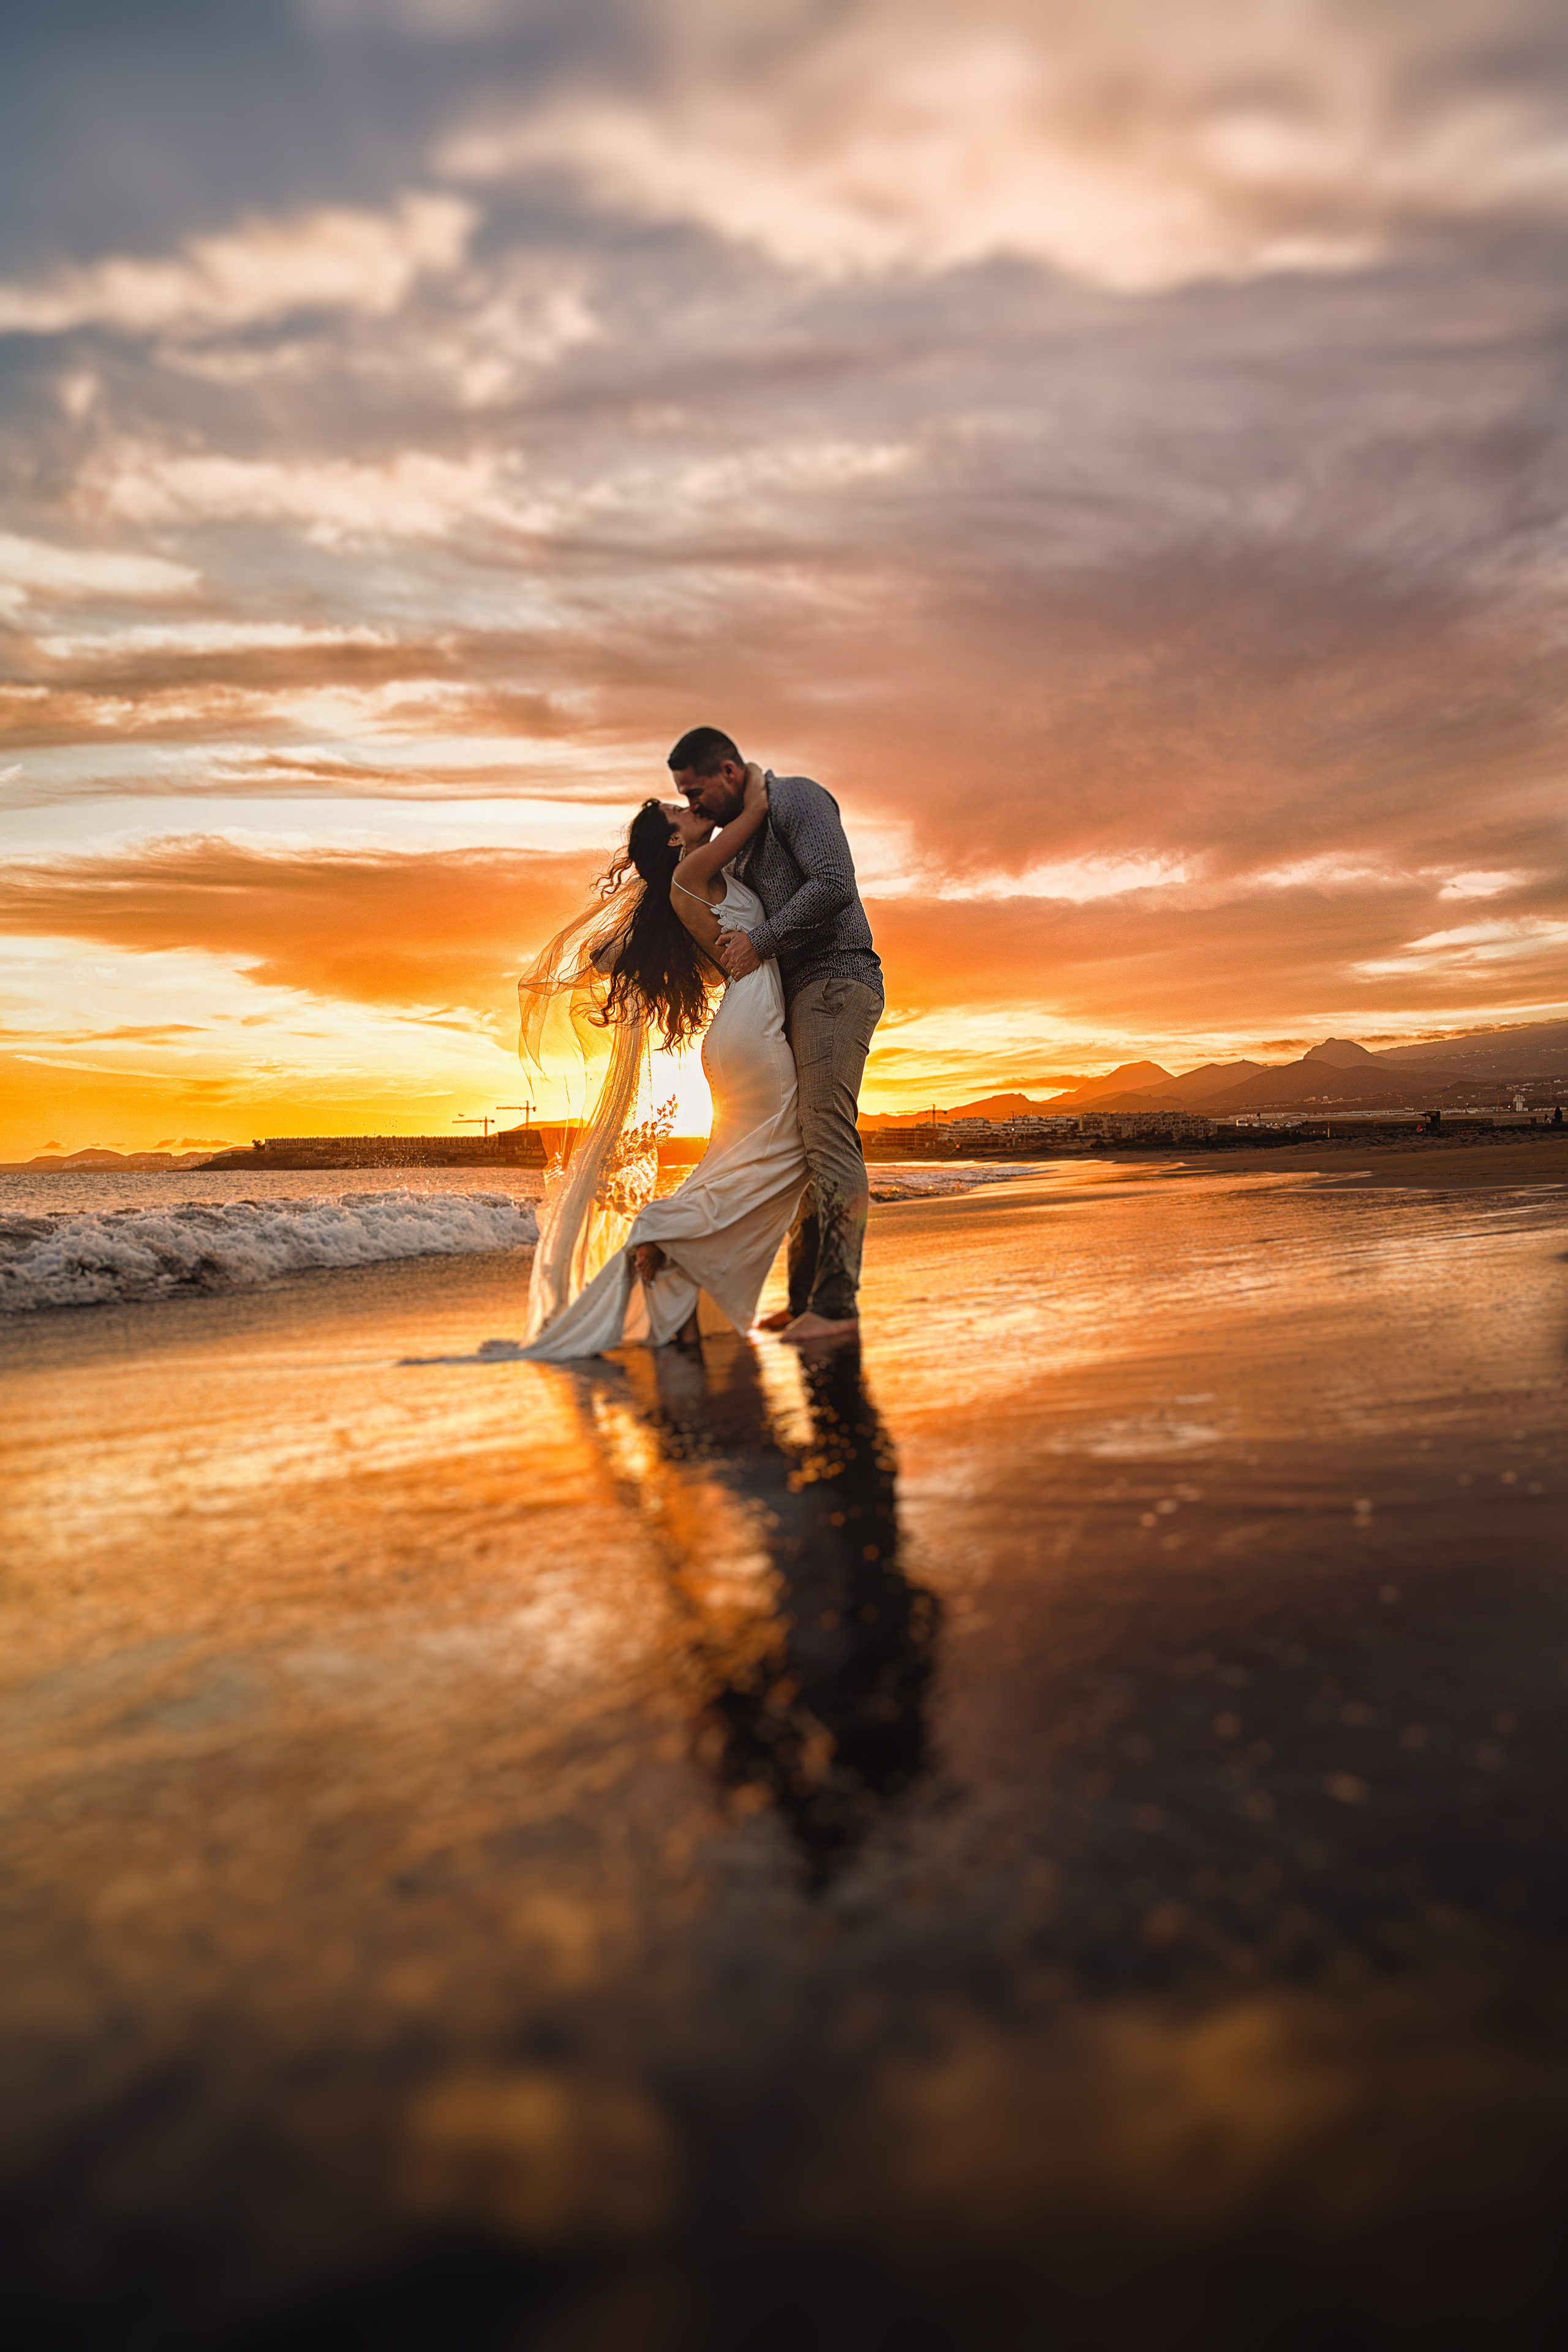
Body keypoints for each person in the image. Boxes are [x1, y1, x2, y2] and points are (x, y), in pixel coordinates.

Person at [514, 763, 809, 1360]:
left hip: (742, 1031)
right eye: (681, 812)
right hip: (753, 1028)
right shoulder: (694, 872)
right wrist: (753, 781)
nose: (691, 809)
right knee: (785, 1157)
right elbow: (750, 812)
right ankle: (657, 1231)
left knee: (744, 1162)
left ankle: (671, 1281)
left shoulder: (690, 889)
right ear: (676, 839)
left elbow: (610, 957)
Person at [667, 726, 883, 1345]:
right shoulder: (735, 847)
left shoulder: (797, 799)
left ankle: (837, 1306)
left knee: (824, 1132)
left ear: (730, 772)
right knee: (798, 1148)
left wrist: (757, 942)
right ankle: (804, 1299)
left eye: (696, 789)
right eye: (683, 795)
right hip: (793, 1001)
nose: (695, 803)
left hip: (836, 981)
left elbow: (834, 885)